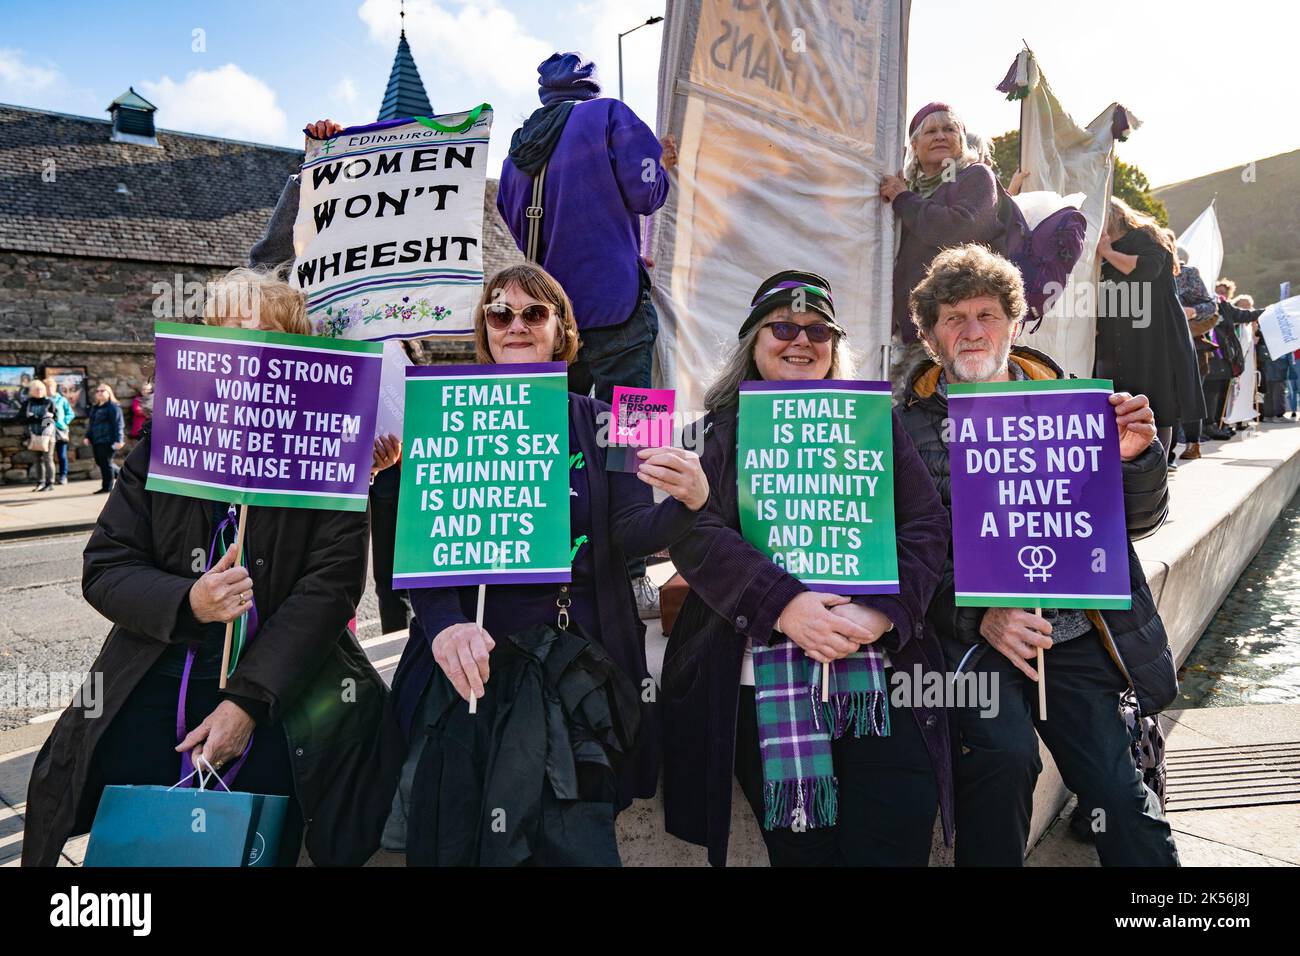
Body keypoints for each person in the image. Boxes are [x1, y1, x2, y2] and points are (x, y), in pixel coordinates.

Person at [22, 267, 401, 867]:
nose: (237, 339)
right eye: (222, 325)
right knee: (139, 846)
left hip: (278, 689)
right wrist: (189, 600)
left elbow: (330, 589)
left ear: (295, 349)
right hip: (155, 673)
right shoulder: (165, 439)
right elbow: (105, 565)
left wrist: (247, 704)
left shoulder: (333, 449)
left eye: (256, 325)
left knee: (258, 843)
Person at [385, 262, 708, 863]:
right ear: (484, 329)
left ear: (562, 329)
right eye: (499, 313)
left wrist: (691, 503)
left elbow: (635, 533)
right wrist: (446, 626)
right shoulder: (442, 407)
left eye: (534, 313)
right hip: (469, 666)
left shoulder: (622, 415)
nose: (515, 325)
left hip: (575, 673)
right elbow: (423, 551)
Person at [661, 270, 953, 867]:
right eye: (784, 327)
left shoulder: (875, 424)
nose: (802, 340)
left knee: (896, 832)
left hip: (881, 675)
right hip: (756, 678)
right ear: (753, 341)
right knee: (803, 854)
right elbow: (695, 535)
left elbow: (925, 526)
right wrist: (785, 608)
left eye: (819, 330)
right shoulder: (712, 433)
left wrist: (879, 614)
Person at [900, 243, 1179, 866]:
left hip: (1077, 633)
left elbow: (1139, 522)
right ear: (930, 335)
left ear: (1016, 322)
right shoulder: (905, 428)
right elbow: (906, 556)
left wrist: (1137, 457)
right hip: (974, 640)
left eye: (986, 315)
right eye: (953, 317)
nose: (972, 331)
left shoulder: (1081, 406)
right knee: (1003, 761)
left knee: (1117, 794)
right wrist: (983, 617)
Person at [880, 102, 1027, 354]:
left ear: (961, 140)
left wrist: (904, 200)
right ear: (914, 146)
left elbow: (960, 229)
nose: (940, 136)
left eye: (949, 129)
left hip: (967, 327)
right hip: (916, 331)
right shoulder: (909, 189)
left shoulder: (976, 176)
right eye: (930, 131)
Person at [1095, 197, 1205, 458]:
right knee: (1121, 398)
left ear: (1113, 216)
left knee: (1157, 400)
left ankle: (1159, 466)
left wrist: (1108, 253)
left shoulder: (1147, 236)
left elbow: (1147, 269)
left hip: (1155, 333)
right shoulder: (1104, 245)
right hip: (1119, 331)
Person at [84, 383, 124, 494]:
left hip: (108, 440)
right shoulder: (95, 408)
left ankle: (107, 487)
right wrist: (88, 437)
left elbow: (118, 424)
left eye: (103, 391)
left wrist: (119, 440)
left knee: (106, 463)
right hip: (97, 440)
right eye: (98, 391)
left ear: (109, 393)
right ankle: (123, 474)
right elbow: (91, 424)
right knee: (100, 462)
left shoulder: (113, 407)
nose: (100, 393)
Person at [20, 379, 57, 492]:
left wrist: (39, 419)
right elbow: (20, 418)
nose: (39, 391)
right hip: (34, 435)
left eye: (41, 389)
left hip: (48, 436)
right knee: (37, 460)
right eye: (36, 389)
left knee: (48, 458)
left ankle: (50, 483)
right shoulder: (28, 403)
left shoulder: (49, 402)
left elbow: (54, 418)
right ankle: (40, 482)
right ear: (31, 391)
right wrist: (30, 418)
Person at [43, 377, 74, 485]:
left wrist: (64, 422)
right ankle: (49, 478)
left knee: (62, 455)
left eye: (50, 386)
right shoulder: (44, 400)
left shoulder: (62, 400)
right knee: (48, 456)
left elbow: (70, 413)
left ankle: (63, 476)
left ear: (55, 387)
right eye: (47, 387)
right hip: (47, 431)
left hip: (60, 430)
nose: (49, 389)